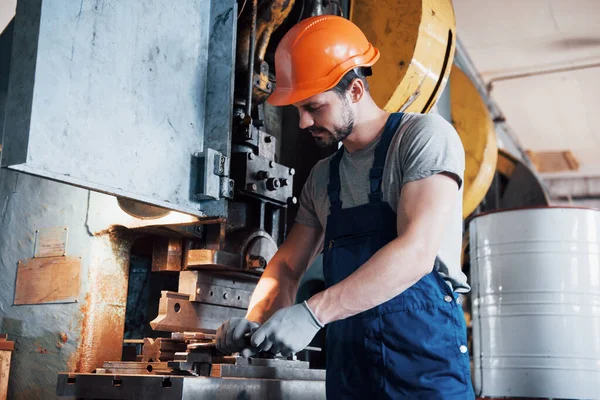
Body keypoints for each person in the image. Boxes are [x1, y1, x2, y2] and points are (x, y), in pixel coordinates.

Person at [216, 14, 475, 399]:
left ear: (355, 90)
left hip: (423, 371)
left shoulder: (423, 138)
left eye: (314, 107)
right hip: (351, 372)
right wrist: (257, 319)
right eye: (297, 110)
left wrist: (313, 313)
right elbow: (287, 265)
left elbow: (416, 252)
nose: (303, 122)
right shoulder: (322, 178)